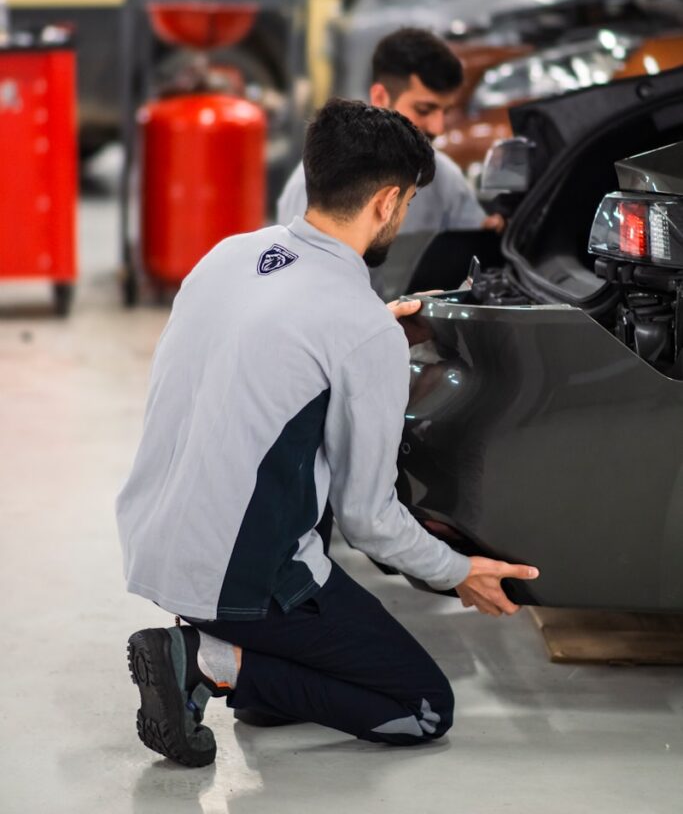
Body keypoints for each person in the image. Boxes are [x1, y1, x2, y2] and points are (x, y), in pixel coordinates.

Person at [117, 99, 538, 768]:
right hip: (233, 575)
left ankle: (243, 668)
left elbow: (280, 350)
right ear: (389, 201)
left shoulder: (229, 255)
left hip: (154, 540)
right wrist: (459, 572)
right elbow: (368, 520)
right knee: (421, 707)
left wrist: (369, 330)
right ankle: (209, 660)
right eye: (404, 207)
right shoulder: (359, 328)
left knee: (287, 686)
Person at [277, 27, 502, 235]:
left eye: (446, 112)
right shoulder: (315, 186)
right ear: (380, 98)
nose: (438, 128)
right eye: (424, 110)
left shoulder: (445, 180)